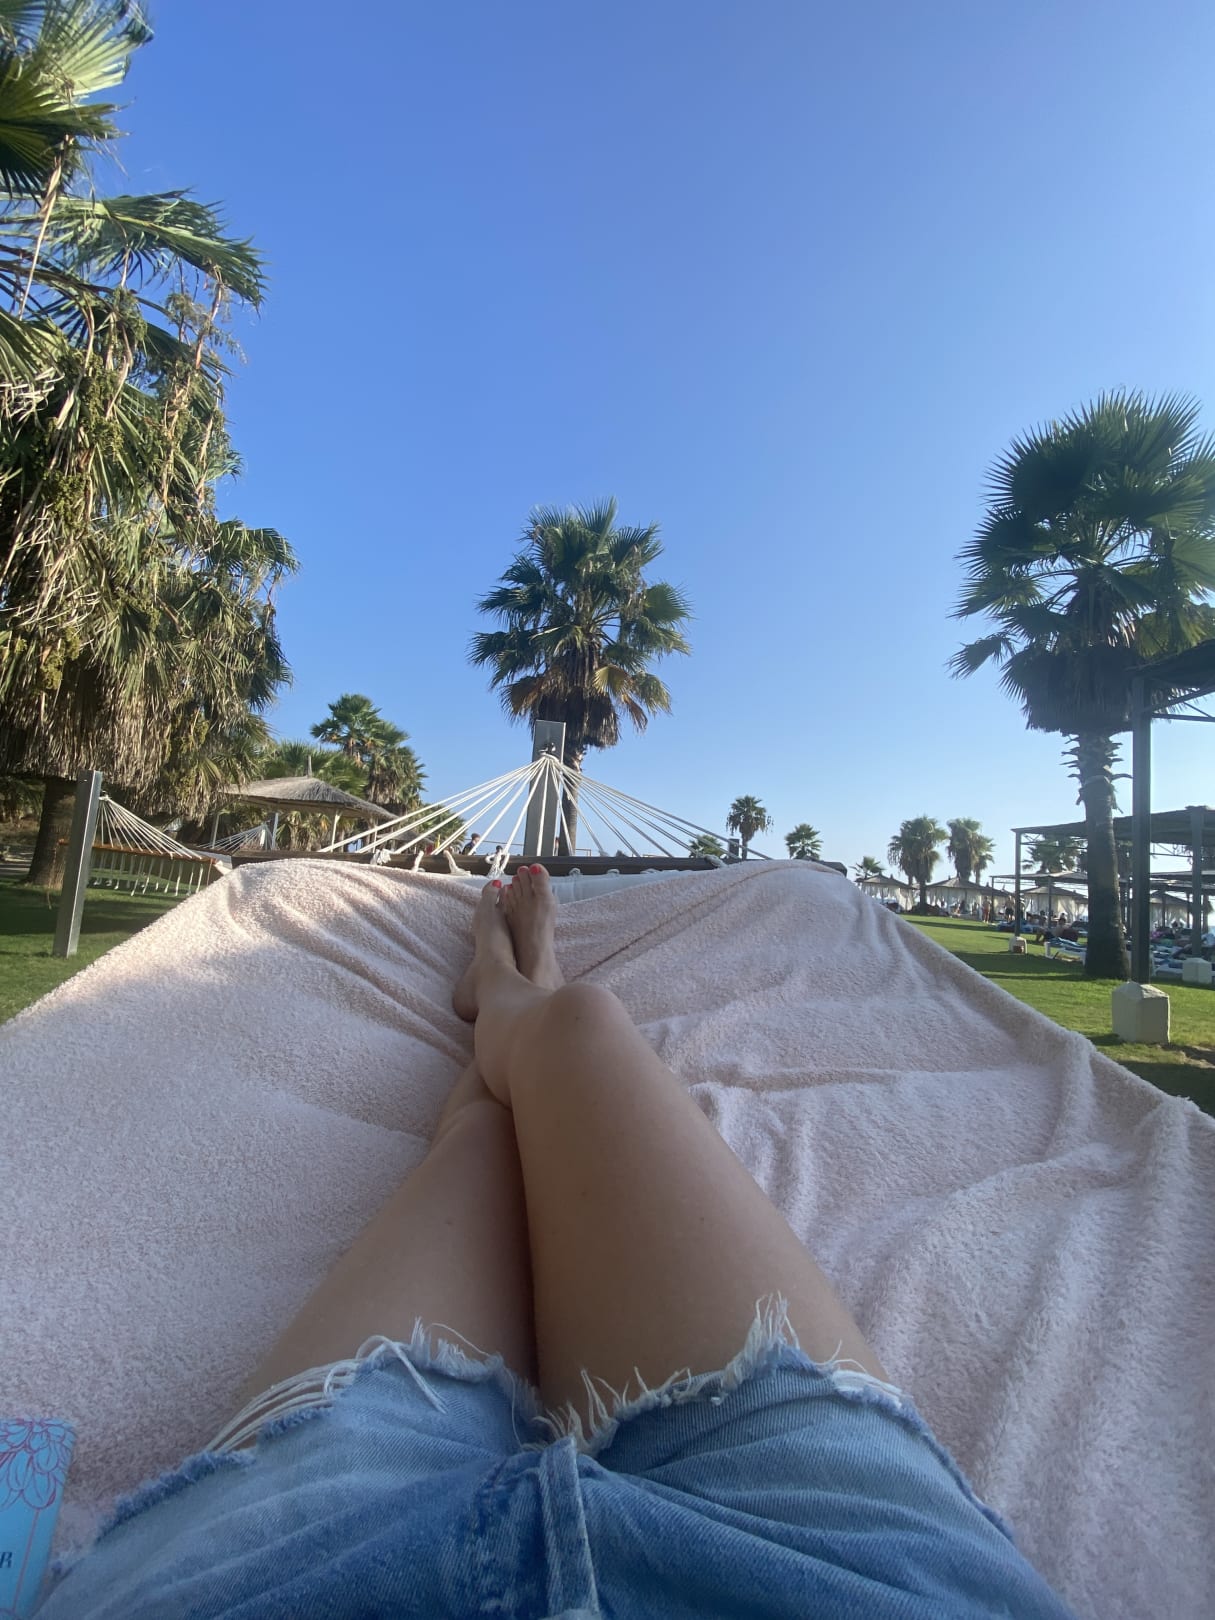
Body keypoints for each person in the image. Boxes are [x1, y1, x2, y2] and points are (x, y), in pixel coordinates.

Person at [39, 868, 1075, 1619]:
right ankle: (520, 993)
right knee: (577, 1030)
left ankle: (505, 992)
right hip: (850, 1569)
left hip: (278, 1566)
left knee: (492, 1135)